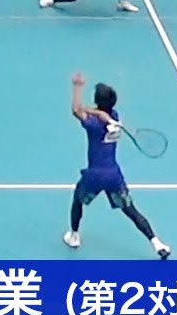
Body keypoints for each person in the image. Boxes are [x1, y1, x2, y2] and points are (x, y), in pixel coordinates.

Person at [64, 72, 170, 260]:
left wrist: (77, 87)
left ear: (97, 102)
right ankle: (157, 243)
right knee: (131, 210)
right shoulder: (114, 116)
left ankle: (74, 236)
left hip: (95, 176)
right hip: (114, 176)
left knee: (77, 200)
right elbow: (93, 111)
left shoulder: (94, 125)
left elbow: (76, 110)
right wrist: (100, 113)